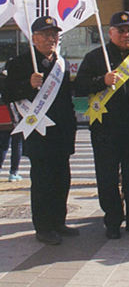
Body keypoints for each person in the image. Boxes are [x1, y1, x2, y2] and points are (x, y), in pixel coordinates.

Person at [75, 11, 129, 239]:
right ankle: (112, 220)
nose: (126, 34)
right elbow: (78, 87)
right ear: (110, 32)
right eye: (120, 30)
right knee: (108, 176)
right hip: (106, 129)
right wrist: (101, 81)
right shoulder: (95, 58)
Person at [2, 16, 78, 245]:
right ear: (33, 38)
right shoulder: (18, 64)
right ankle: (43, 227)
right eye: (45, 35)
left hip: (61, 131)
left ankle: (58, 221)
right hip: (38, 132)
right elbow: (6, 95)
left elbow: (65, 98)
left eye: (54, 35)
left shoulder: (61, 64)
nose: (50, 39)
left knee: (62, 178)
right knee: (43, 180)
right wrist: (28, 85)